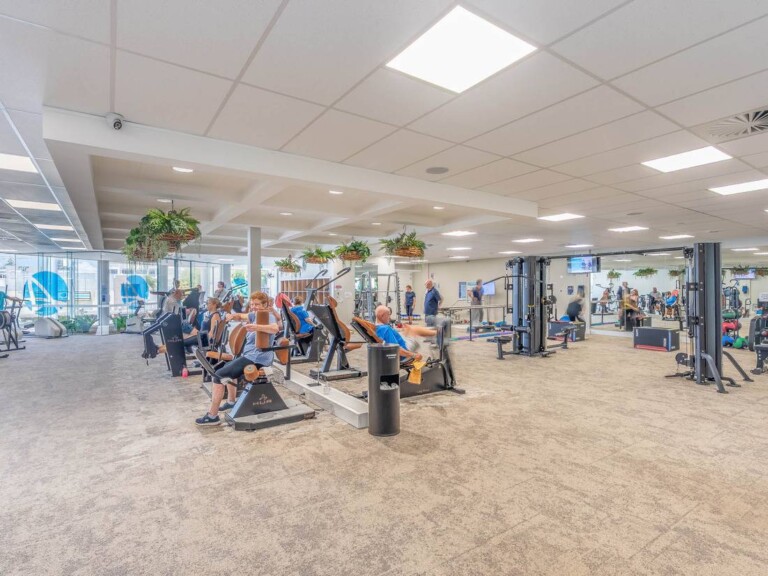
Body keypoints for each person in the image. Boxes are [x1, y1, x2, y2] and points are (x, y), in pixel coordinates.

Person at [195, 292, 280, 426]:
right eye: (252, 304)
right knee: (228, 367)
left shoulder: (267, 316)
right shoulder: (255, 315)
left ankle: (212, 416)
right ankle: (231, 401)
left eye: (257, 304)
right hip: (249, 355)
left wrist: (256, 327)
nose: (253, 307)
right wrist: (232, 316)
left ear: (265, 305)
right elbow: (241, 316)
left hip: (257, 359)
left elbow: (275, 328)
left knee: (218, 376)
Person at [374, 305, 438, 361]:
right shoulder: (385, 329)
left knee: (408, 328)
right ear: (382, 316)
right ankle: (437, 333)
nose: (389, 317)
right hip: (404, 352)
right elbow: (396, 349)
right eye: (388, 315)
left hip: (401, 346)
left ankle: (434, 332)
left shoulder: (378, 327)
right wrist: (414, 355)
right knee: (414, 330)